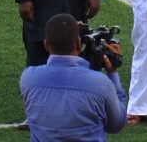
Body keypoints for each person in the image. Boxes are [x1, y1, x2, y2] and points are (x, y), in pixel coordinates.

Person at [20, 13, 126, 141]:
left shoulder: (28, 78)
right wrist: (113, 73)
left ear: (46, 45)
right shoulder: (101, 83)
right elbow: (116, 125)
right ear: (79, 43)